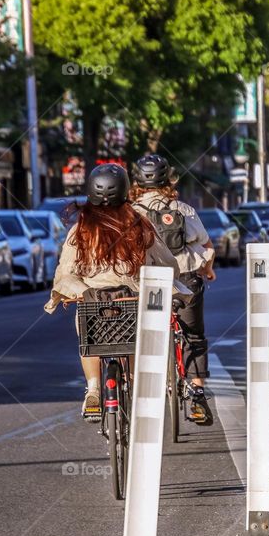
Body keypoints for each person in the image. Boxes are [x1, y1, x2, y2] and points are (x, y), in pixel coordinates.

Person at [44, 163, 181, 421]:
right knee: (132, 339)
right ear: (125, 191)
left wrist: (74, 292)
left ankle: (94, 389)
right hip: (130, 301)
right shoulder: (140, 225)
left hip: (93, 303)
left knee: (90, 341)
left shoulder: (80, 230)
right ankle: (130, 381)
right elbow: (167, 263)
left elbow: (65, 271)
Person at [129, 154, 216, 425]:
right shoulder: (183, 210)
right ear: (169, 180)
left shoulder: (129, 213)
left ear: (137, 182)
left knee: (138, 335)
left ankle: (136, 388)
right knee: (194, 336)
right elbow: (207, 245)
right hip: (185, 279)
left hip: (145, 283)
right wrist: (208, 269)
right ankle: (198, 392)